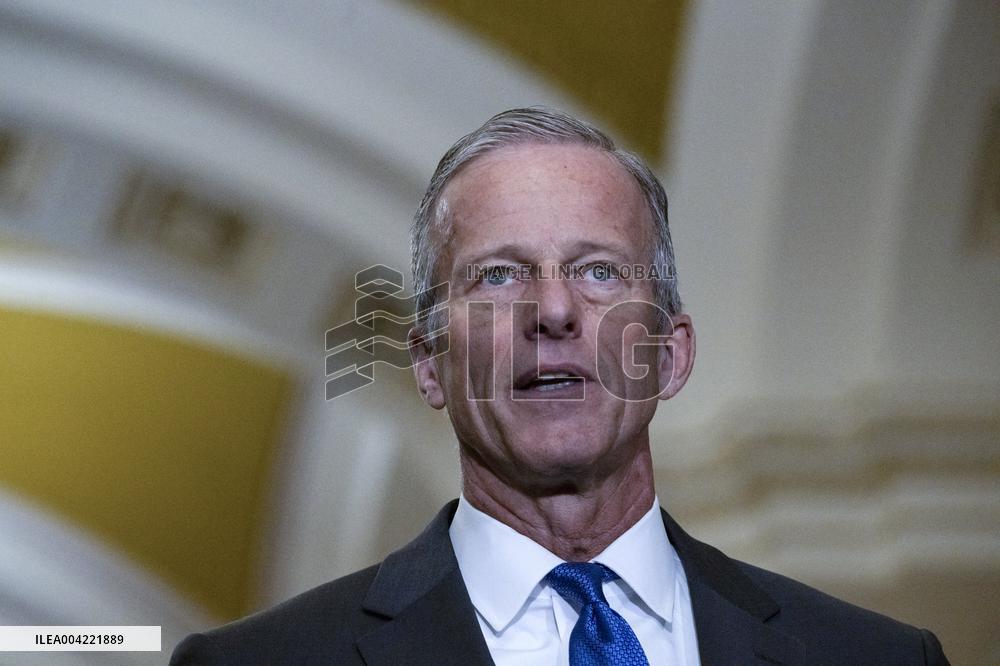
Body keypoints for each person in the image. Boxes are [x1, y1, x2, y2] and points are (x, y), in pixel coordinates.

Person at [171, 108, 949, 665]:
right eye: (499, 275)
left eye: (599, 271)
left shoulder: (876, 656)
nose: (552, 311)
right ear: (429, 363)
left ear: (670, 356)